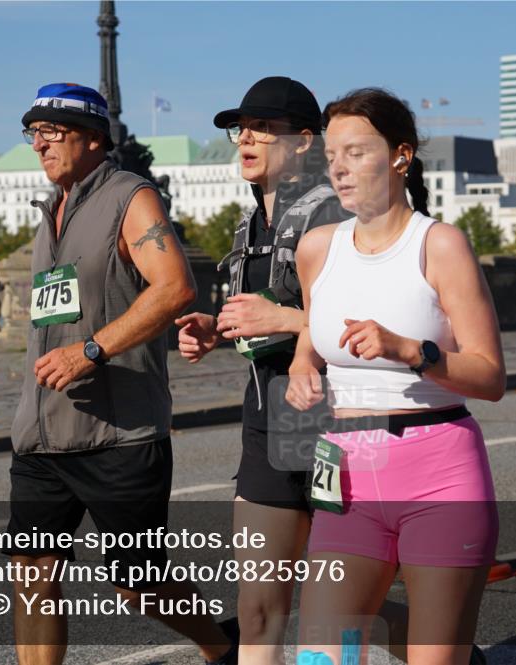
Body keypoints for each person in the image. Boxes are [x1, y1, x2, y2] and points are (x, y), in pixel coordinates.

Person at [6, 82, 237, 665]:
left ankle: (222, 649)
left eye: (52, 132)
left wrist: (89, 352)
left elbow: (174, 287)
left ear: (93, 138)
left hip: (118, 435)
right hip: (42, 430)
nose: (39, 145)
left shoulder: (130, 198)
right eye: (33, 132)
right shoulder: (51, 212)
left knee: (139, 584)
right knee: (31, 573)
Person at [286, 88, 504, 664]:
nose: (338, 167)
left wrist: (412, 349)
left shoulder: (439, 245)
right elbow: (317, 325)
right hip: (345, 472)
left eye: (356, 152)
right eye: (332, 154)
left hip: (438, 469)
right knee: (322, 657)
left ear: (401, 156)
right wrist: (302, 363)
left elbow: (490, 375)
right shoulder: (316, 250)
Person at [175, 76, 349, 663]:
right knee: (257, 609)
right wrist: (216, 328)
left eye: (263, 127)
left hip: (336, 422)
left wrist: (282, 316)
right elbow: (265, 322)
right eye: (240, 128)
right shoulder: (249, 224)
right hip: (266, 419)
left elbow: (366, 321)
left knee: (341, 602)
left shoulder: (338, 213)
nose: (245, 136)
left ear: (304, 141)